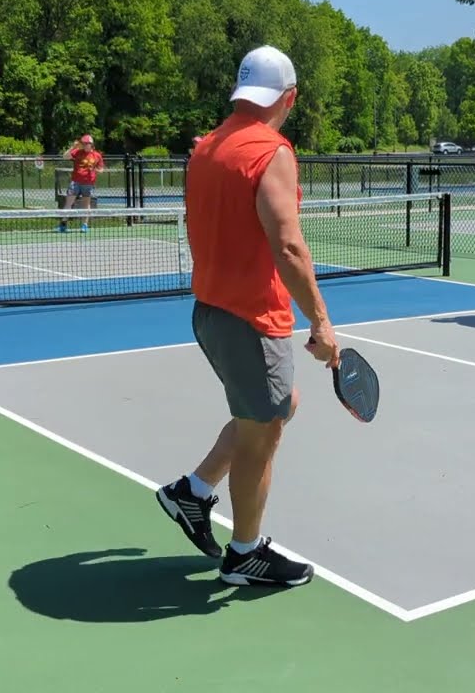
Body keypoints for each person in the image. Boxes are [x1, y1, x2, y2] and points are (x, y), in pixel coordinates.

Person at [155, 45, 338, 588]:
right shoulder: (271, 151)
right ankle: (245, 554)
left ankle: (194, 490)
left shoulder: (208, 147)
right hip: (252, 318)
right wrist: (322, 323)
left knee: (280, 405)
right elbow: (288, 245)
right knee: (263, 436)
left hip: (210, 313)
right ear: (290, 98)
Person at [60, 134, 103, 233]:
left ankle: (84, 225)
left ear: (91, 144)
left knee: (86, 204)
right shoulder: (77, 152)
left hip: (88, 183)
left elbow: (101, 170)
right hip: (75, 182)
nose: (84, 145)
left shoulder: (97, 155)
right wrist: (73, 147)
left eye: (86, 143)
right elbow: (65, 157)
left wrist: (95, 169)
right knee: (68, 203)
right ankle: (63, 225)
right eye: (83, 143)